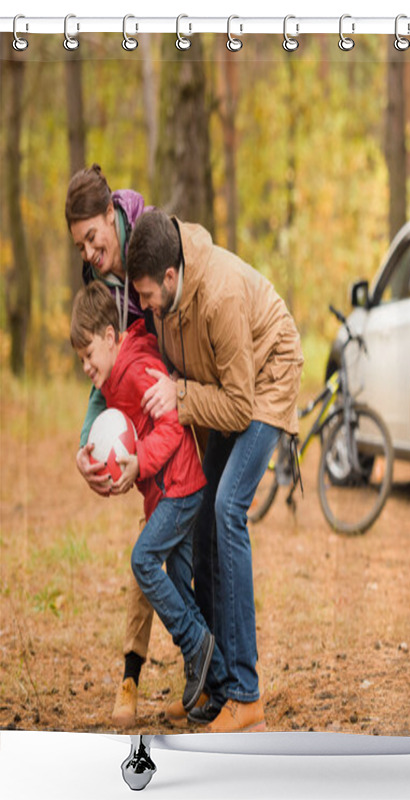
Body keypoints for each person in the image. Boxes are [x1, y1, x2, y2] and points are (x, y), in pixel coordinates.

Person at [127, 210, 303, 733]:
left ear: (172, 276)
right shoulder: (163, 294)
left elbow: (237, 403)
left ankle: (246, 694)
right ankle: (214, 679)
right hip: (226, 386)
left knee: (228, 509)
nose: (146, 307)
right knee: (203, 515)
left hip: (267, 375)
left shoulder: (220, 294)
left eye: (150, 296)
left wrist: (180, 397)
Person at [70, 281, 228, 724]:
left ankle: (195, 642)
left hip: (181, 485)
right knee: (178, 579)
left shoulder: (136, 368)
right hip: (163, 493)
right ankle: (210, 684)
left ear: (109, 336)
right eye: (80, 359)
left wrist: (139, 464)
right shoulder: (114, 379)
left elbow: (173, 424)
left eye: (88, 355)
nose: (85, 367)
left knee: (143, 562)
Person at [65, 165, 166, 727]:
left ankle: (223, 682)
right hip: (143, 423)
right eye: (80, 245)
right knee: (146, 552)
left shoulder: (152, 237)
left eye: (93, 237)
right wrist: (87, 444)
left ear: (111, 215)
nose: (89, 250)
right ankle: (130, 679)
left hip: (183, 404)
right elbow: (100, 376)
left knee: (192, 549)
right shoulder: (100, 284)